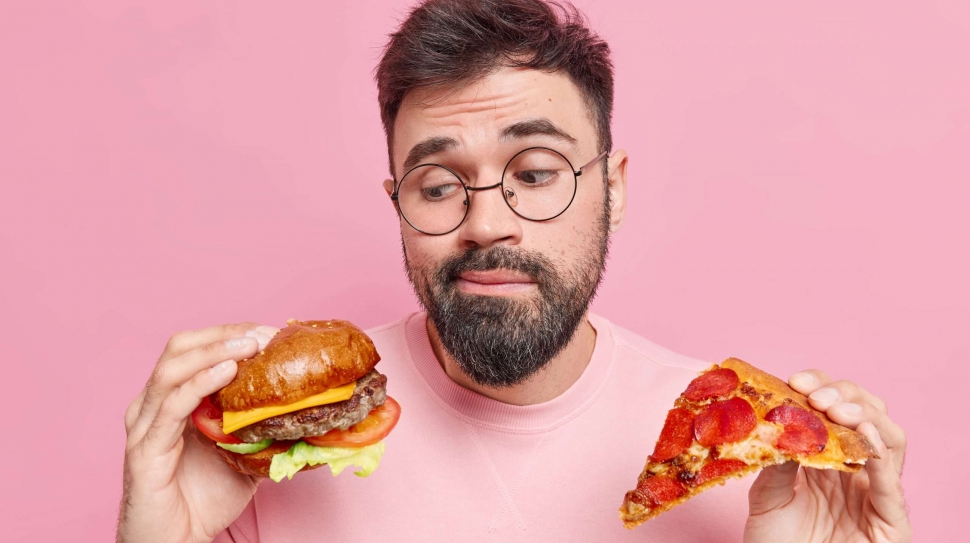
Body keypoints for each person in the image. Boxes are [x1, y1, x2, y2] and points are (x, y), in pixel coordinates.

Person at [116, 1, 911, 541]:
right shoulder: (246, 461)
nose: (486, 223)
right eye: (438, 186)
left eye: (534, 172)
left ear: (614, 186)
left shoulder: (755, 461)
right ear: (397, 201)